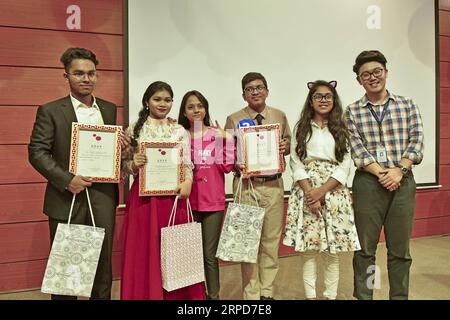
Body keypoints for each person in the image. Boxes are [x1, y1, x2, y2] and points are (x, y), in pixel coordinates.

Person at [28, 47, 125, 300]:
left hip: (103, 197)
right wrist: (67, 179)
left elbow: (106, 151)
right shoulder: (50, 110)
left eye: (91, 73)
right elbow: (37, 152)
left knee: (102, 269)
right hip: (65, 197)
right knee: (67, 273)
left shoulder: (109, 108)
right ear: (66, 76)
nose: (86, 79)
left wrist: (121, 145)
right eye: (79, 73)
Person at [346, 50, 424, 300]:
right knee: (366, 250)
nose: (372, 77)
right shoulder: (352, 111)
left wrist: (399, 171)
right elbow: (357, 149)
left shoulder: (407, 104)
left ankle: (399, 297)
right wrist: (384, 174)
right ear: (359, 80)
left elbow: (417, 141)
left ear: (386, 73)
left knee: (400, 250)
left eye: (377, 71)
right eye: (365, 74)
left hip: (403, 181)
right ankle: (365, 296)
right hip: (369, 184)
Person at [120, 81, 206, 300]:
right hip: (144, 200)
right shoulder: (134, 129)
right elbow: (123, 167)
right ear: (147, 102)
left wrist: (188, 182)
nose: (162, 104)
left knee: (175, 251)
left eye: (167, 100)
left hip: (173, 199)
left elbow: (187, 163)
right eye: (157, 99)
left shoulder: (179, 130)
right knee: (144, 252)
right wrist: (134, 163)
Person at [283, 80, 360, 300]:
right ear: (311, 100)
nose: (323, 100)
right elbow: (296, 163)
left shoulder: (342, 128)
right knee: (309, 250)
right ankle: (310, 297)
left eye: (328, 96)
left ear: (334, 100)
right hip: (306, 191)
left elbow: (345, 164)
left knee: (331, 251)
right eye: (318, 96)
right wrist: (310, 193)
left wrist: (322, 191)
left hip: (334, 192)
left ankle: (330, 296)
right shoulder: (301, 127)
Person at [224, 72, 291, 300]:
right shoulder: (233, 119)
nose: (255, 92)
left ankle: (267, 292)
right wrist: (236, 161)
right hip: (246, 186)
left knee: (271, 243)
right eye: (250, 89)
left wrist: (284, 145)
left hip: (273, 185)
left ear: (267, 90)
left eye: (259, 87)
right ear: (243, 94)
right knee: (247, 243)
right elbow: (227, 153)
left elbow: (289, 145)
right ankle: (251, 294)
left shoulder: (279, 116)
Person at [177, 90, 235, 300]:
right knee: (190, 254)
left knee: (209, 255)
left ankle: (213, 296)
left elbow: (227, 167)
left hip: (213, 204)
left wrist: (225, 140)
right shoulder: (179, 135)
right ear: (184, 111)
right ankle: (194, 296)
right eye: (191, 107)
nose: (196, 110)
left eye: (200, 106)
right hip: (187, 203)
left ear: (206, 108)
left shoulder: (215, 134)